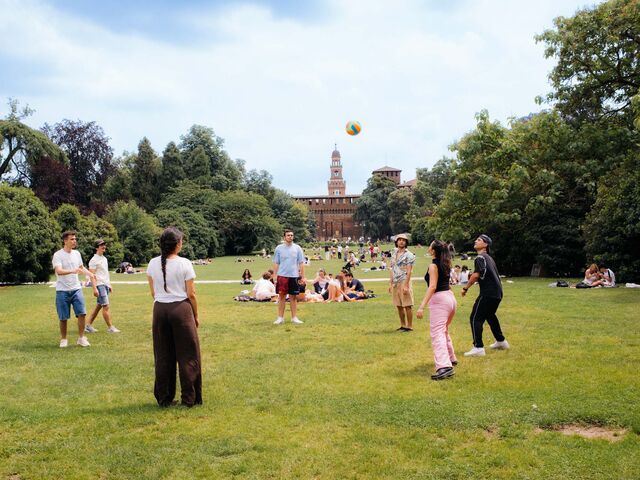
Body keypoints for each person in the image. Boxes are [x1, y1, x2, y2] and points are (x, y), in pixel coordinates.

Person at [146, 227, 202, 408]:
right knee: (188, 354)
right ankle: (189, 398)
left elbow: (153, 292)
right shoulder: (184, 263)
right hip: (181, 310)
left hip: (160, 310)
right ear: (177, 244)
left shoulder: (152, 263)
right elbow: (191, 293)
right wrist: (195, 314)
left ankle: (164, 397)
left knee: (163, 355)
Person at [461, 234, 509, 357]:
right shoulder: (489, 258)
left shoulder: (480, 258)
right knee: (490, 316)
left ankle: (478, 347)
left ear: (486, 245)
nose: (476, 241)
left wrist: (465, 288)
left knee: (475, 318)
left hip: (488, 293)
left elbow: (476, 275)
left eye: (479, 240)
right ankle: (501, 341)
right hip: (498, 293)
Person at [416, 240, 458, 380]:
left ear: (433, 250)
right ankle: (451, 358)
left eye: (431, 245)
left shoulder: (433, 265)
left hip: (440, 299)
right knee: (443, 330)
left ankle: (444, 366)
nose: (428, 246)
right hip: (449, 298)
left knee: (437, 333)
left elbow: (432, 286)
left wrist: (421, 306)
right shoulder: (445, 263)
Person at [52, 231, 99, 348]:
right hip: (62, 291)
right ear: (65, 241)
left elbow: (81, 268)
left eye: (75, 239)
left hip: (76, 289)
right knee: (63, 317)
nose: (74, 241)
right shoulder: (58, 255)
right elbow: (58, 271)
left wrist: (90, 275)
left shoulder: (77, 254)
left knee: (82, 313)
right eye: (72, 239)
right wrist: (72, 271)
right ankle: (63, 339)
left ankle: (81, 338)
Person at [85, 239, 120, 334]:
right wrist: (94, 288)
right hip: (99, 285)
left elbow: (105, 274)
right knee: (106, 306)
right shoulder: (93, 260)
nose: (104, 246)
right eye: (101, 245)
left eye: (104, 244)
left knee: (99, 306)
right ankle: (110, 327)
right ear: (97, 247)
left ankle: (88, 326)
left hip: (105, 285)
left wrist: (109, 285)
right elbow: (91, 275)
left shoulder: (104, 259)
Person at [273, 230, 306, 325]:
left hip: (294, 276)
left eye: (292, 235)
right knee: (282, 297)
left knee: (293, 297)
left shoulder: (297, 248)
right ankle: (280, 318)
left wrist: (302, 276)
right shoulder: (279, 248)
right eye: (288, 235)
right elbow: (276, 262)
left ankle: (294, 317)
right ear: (284, 237)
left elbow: (301, 263)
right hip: (282, 276)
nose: (290, 237)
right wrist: (275, 275)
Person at [389, 233, 416, 332]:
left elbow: (409, 271)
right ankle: (403, 325)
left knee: (407, 305)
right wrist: (390, 283)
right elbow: (392, 268)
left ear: (406, 242)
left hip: (404, 280)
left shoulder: (409, 255)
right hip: (396, 281)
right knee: (399, 305)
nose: (401, 241)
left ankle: (409, 326)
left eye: (403, 240)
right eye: (399, 240)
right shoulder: (394, 253)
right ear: (396, 242)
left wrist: (406, 285)